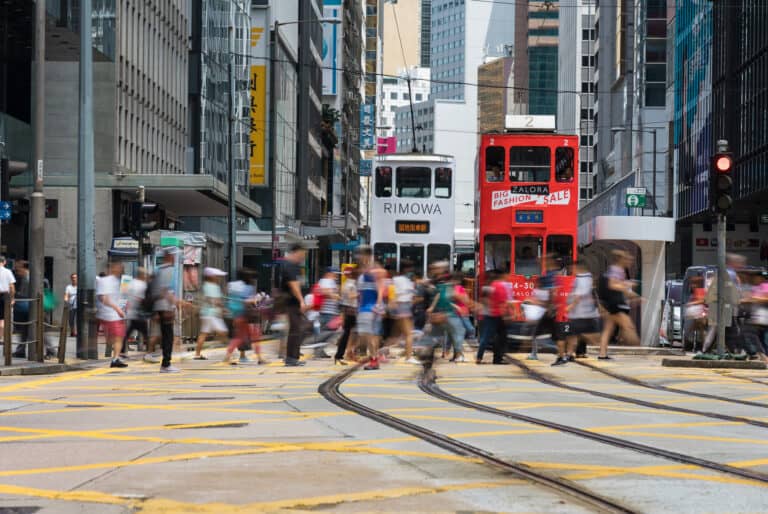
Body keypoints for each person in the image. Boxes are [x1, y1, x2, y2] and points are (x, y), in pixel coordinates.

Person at [555, 261, 601, 366]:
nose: (571, 270)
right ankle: (570, 354)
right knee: (572, 335)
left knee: (586, 335)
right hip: (578, 314)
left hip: (582, 314)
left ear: (577, 267)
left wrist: (571, 306)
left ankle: (601, 347)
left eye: (572, 267)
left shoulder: (583, 279)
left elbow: (579, 295)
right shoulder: (583, 277)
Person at [598, 250, 640, 359]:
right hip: (615, 304)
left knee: (608, 329)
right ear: (623, 260)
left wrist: (634, 296)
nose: (630, 262)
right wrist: (627, 284)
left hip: (612, 303)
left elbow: (620, 288)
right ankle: (636, 348)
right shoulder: (616, 270)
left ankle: (602, 354)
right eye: (629, 260)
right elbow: (612, 285)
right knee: (629, 327)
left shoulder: (616, 269)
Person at [355, 246, 385, 370]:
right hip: (364, 307)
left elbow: (381, 288)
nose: (358, 257)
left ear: (366, 255)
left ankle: (374, 360)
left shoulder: (374, 269)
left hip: (371, 307)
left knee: (369, 335)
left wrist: (377, 305)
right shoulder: (363, 270)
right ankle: (374, 357)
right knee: (366, 335)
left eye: (360, 254)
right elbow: (362, 291)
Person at [279, 244, 308, 367]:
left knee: (296, 329)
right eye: (302, 254)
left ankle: (292, 356)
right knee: (295, 330)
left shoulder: (290, 265)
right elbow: (294, 285)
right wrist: (301, 300)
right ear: (296, 252)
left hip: (291, 303)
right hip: (292, 303)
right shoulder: (291, 266)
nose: (303, 257)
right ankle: (291, 358)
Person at [153, 250, 180, 373]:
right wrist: (175, 303)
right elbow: (165, 291)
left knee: (166, 336)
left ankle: (165, 363)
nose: (175, 259)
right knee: (168, 336)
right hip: (165, 307)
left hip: (160, 307)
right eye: (173, 256)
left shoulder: (158, 270)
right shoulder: (168, 270)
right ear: (169, 257)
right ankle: (166, 364)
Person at [98, 261, 128, 368]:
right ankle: (115, 359)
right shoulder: (105, 281)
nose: (120, 269)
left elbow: (124, 297)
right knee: (116, 338)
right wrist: (117, 309)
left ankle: (115, 359)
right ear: (112, 268)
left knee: (118, 337)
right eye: (118, 267)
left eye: (121, 268)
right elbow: (103, 298)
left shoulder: (122, 281)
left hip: (116, 314)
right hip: (111, 314)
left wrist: (124, 307)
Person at [195, 267, 228, 360]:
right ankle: (228, 354)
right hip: (212, 314)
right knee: (223, 332)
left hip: (206, 313)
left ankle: (197, 354)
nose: (219, 278)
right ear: (211, 276)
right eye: (217, 276)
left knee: (203, 333)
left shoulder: (206, 285)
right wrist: (222, 307)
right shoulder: (214, 286)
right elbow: (214, 300)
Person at [388, 261, 417, 363]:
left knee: (396, 336)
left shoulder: (407, 280)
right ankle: (409, 357)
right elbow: (394, 294)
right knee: (409, 334)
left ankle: (378, 354)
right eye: (410, 269)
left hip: (405, 307)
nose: (411, 271)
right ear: (405, 269)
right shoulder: (398, 280)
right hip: (401, 307)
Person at [122, 268, 149, 355]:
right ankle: (149, 351)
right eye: (144, 275)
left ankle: (122, 351)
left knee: (128, 333)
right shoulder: (142, 285)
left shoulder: (131, 283)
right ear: (142, 275)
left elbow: (125, 294)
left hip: (131, 312)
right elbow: (141, 299)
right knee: (146, 333)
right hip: (138, 314)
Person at [335, 267, 358, 365]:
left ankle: (346, 353)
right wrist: (361, 293)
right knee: (350, 333)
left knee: (350, 333)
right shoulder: (351, 284)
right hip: (351, 311)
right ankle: (343, 354)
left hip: (348, 310)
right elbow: (351, 296)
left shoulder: (345, 284)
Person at [11, 260, 30, 358]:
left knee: (37, 330)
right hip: (27, 308)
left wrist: (16, 296)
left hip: (28, 308)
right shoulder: (25, 277)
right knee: (24, 330)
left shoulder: (28, 278)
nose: (17, 270)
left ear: (24, 268)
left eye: (19, 267)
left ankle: (50, 350)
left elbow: (26, 294)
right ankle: (20, 351)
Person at [0, 256, 15, 348]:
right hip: (5, 296)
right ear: (4, 262)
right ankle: (3, 337)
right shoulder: (7, 272)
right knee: (4, 318)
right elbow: (12, 287)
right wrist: (12, 298)